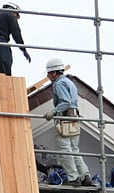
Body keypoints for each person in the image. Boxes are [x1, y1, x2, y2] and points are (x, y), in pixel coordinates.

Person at [43, 58, 92, 186]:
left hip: (64, 119)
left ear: (54, 73)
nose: (48, 76)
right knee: (74, 149)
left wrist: (53, 112)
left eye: (49, 73)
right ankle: (85, 176)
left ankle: (73, 178)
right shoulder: (69, 82)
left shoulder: (59, 84)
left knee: (65, 150)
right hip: (74, 118)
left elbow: (65, 102)